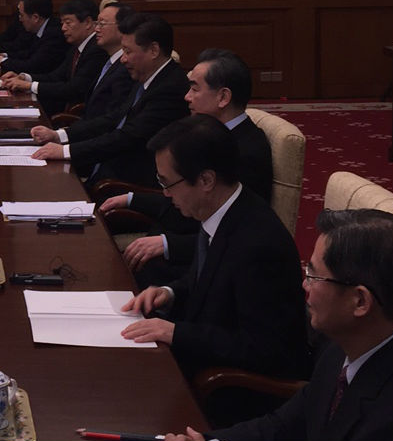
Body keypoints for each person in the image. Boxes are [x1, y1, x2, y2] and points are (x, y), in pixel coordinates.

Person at [164, 209, 393, 441]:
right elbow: (283, 425)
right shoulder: (342, 348)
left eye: (314, 276)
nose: (304, 285)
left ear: (360, 301)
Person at [119, 116, 309, 398]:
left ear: (206, 180)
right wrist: (169, 292)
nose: (165, 193)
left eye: (168, 183)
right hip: (199, 360)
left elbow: (265, 349)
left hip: (233, 393)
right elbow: (206, 278)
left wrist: (175, 333)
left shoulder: (258, 245)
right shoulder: (220, 210)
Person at [102, 49, 274, 285]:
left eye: (194, 89)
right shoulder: (206, 134)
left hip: (194, 267)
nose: (186, 97)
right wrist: (131, 199)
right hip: (170, 242)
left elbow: (237, 231)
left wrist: (167, 244)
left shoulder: (245, 151)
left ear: (223, 97)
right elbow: (180, 191)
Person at [31, 13, 189, 188]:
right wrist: (60, 135)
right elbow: (113, 119)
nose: (123, 59)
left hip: (126, 183)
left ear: (153, 50)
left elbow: (127, 137)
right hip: (107, 168)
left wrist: (66, 151)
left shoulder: (170, 88)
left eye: (128, 52)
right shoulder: (147, 76)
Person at [0, 0, 106, 116]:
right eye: (62, 23)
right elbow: (56, 76)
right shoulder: (76, 47)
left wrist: (30, 85)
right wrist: (25, 78)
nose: (63, 28)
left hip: (75, 115)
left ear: (87, 22)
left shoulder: (97, 50)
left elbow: (74, 89)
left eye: (68, 23)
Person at [0, 0, 69, 76]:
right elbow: (29, 53)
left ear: (35, 18)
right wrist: (4, 55)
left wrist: (3, 61)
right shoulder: (41, 28)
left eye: (22, 15)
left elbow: (33, 65)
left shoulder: (54, 34)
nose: (20, 19)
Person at [78, 2, 136, 121]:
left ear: (122, 27)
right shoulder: (109, 60)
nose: (96, 29)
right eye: (97, 23)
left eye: (102, 24)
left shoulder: (127, 68)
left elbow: (110, 119)